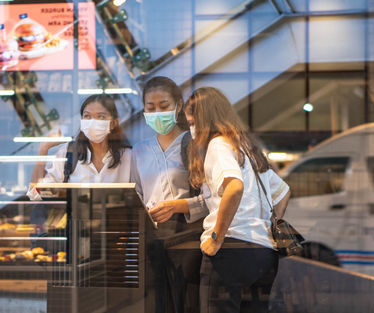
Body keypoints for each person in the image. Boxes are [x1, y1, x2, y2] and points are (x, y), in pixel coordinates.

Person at [185, 87, 290, 313]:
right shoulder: (245, 148)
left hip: (231, 250)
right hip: (264, 252)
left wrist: (216, 237)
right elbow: (283, 192)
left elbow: (234, 187)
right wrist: (268, 226)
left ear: (204, 119)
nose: (191, 129)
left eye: (192, 122)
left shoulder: (218, 145)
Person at [131, 76, 208, 313]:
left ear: (178, 105)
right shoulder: (139, 150)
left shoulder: (195, 145)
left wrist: (178, 205)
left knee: (187, 300)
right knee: (156, 301)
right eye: (150, 108)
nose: (157, 113)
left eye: (163, 106)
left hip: (188, 235)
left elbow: (215, 198)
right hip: (151, 237)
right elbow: (136, 194)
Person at [28, 94, 132, 194]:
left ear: (113, 123)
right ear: (82, 120)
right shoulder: (68, 153)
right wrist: (43, 149)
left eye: (101, 117)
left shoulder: (128, 156)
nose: (92, 122)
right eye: (87, 116)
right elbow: (36, 193)